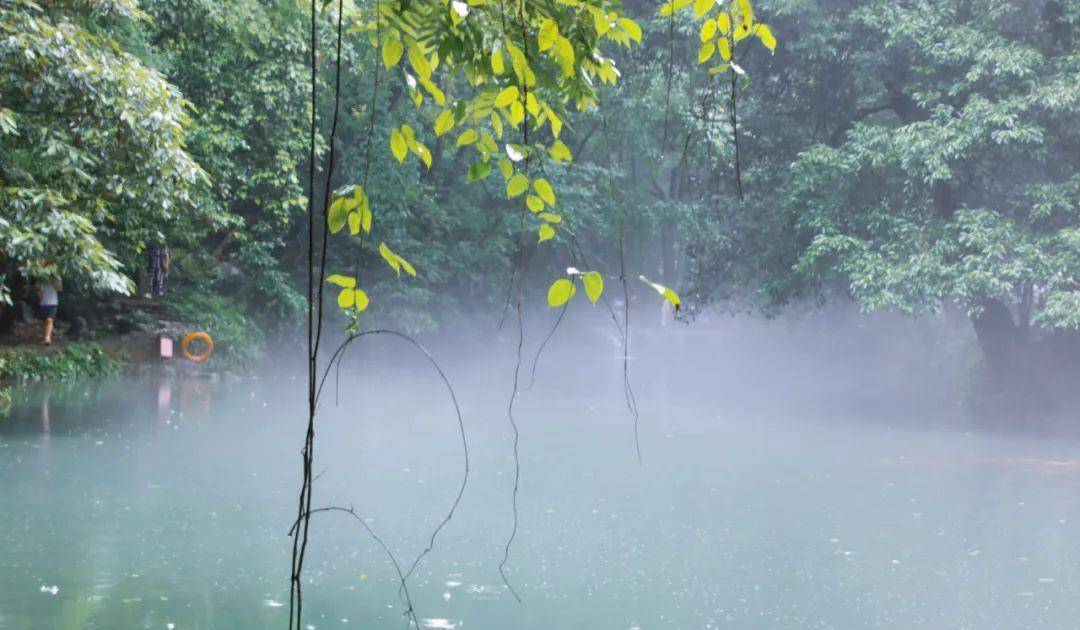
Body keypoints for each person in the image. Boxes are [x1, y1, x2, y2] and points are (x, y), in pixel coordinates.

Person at [37, 280, 60, 346]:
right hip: (43, 304)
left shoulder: (56, 278)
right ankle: (45, 336)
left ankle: (47, 338)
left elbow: (60, 289)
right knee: (46, 321)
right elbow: (40, 296)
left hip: (53, 304)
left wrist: (54, 282)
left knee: (49, 320)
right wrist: (38, 290)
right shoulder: (40, 279)